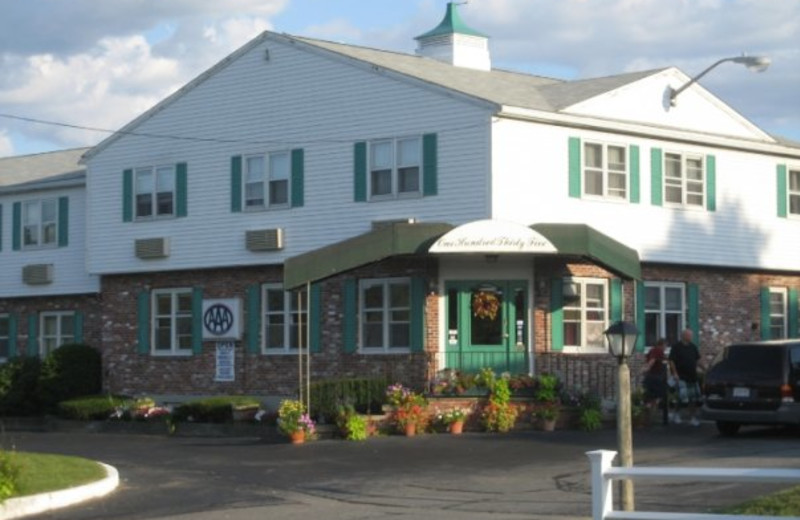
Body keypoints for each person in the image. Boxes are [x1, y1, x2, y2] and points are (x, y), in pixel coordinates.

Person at [668, 329, 703, 426]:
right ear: (683, 336)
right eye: (689, 335)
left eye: (691, 335)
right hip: (681, 377)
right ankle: (676, 414)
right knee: (682, 398)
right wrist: (675, 373)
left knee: (694, 399)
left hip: (692, 376)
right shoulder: (676, 347)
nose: (690, 337)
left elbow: (698, 360)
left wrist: (705, 368)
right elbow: (671, 361)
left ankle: (693, 418)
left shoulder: (693, 347)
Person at [642, 338, 668, 413]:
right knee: (659, 394)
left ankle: (650, 410)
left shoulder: (652, 350)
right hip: (655, 377)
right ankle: (650, 409)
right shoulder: (657, 350)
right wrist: (646, 368)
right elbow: (652, 360)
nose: (666, 348)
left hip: (652, 376)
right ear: (662, 345)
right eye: (665, 346)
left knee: (650, 396)